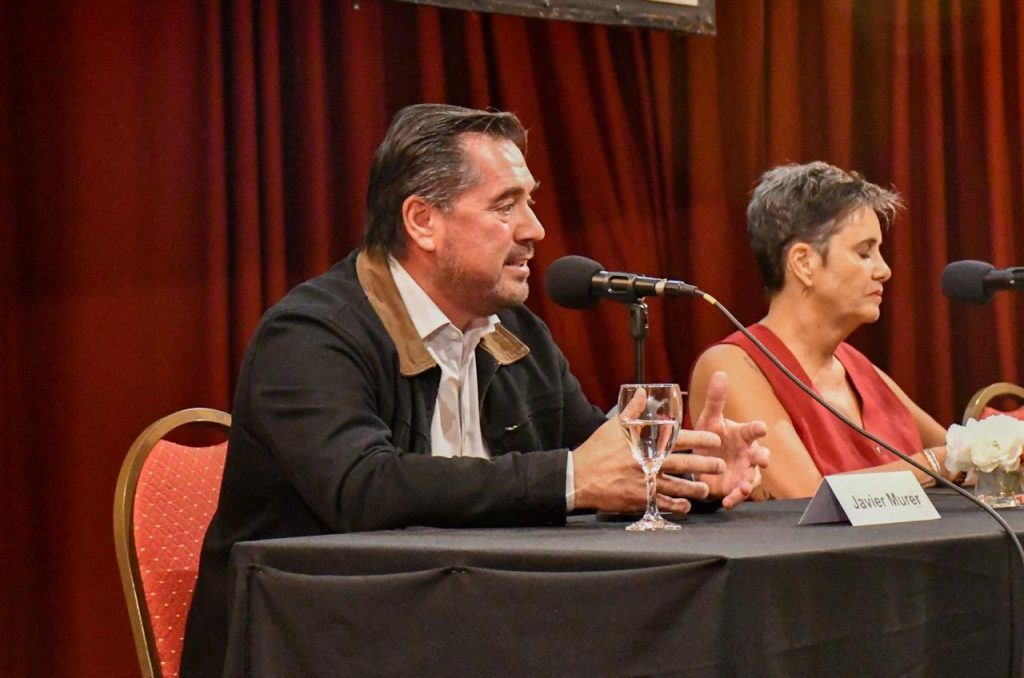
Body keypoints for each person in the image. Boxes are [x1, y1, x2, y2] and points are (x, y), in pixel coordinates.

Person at [181, 103, 769, 677]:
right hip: (321, 646)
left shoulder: (517, 333)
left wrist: (688, 471)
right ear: (422, 222)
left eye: (530, 202)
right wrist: (570, 478)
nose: (534, 229)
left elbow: (600, 458)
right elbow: (362, 488)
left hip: (472, 636)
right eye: (505, 206)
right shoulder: (311, 334)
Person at [689, 161, 960, 501]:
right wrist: (937, 463)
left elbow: (961, 454)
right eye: (864, 253)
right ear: (804, 263)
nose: (884, 270)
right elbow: (804, 499)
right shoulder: (732, 367)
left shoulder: (856, 365)